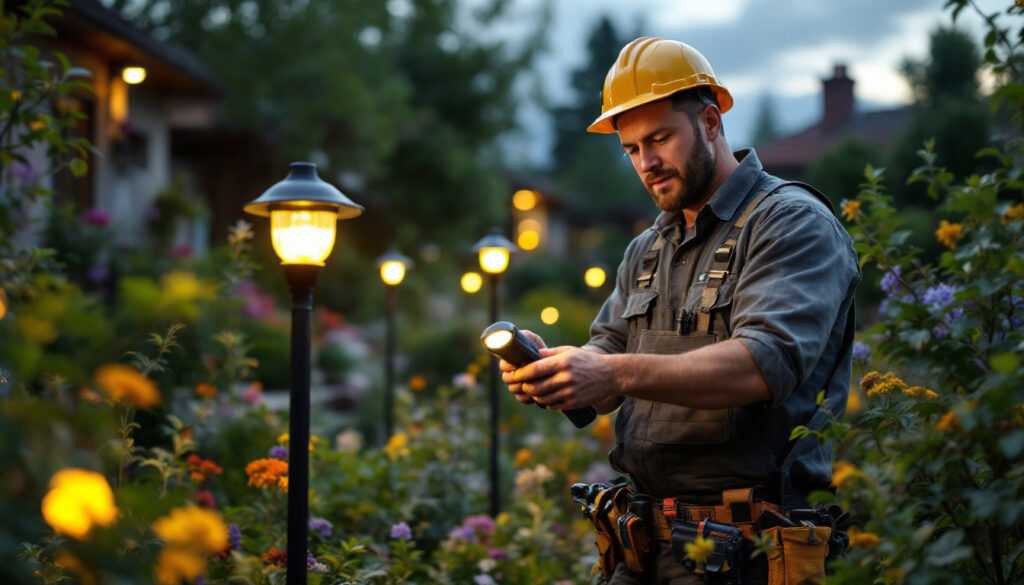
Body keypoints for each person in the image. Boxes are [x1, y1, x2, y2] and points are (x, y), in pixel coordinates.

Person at [499, 37, 860, 584]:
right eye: (631, 149)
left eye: (660, 138)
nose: (646, 162)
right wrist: (559, 370)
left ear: (711, 123)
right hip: (640, 545)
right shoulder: (646, 248)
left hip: (749, 553)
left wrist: (611, 371)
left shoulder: (789, 222)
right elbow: (609, 354)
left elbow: (767, 362)